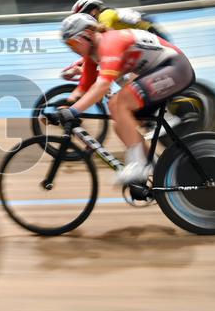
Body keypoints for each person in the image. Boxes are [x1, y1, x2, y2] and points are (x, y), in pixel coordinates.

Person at [55, 13, 196, 185]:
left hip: (175, 67)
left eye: (73, 42)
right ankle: (158, 171)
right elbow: (84, 87)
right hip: (159, 70)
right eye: (68, 44)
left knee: (120, 102)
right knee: (119, 123)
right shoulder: (92, 55)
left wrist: (73, 111)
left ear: (88, 34)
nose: (71, 48)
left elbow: (102, 86)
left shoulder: (109, 42)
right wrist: (63, 107)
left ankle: (138, 164)